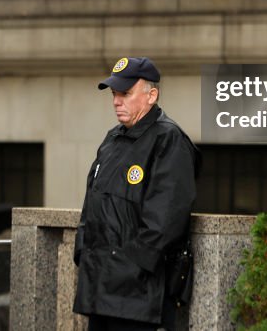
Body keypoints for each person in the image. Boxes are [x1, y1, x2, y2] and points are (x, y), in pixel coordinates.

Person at [74, 57, 200, 331]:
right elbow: (92, 204)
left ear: (151, 95)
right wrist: (82, 252)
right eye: (114, 94)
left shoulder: (169, 139)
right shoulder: (112, 139)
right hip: (99, 288)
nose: (117, 101)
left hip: (137, 296)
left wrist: (130, 266)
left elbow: (166, 219)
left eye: (126, 93)